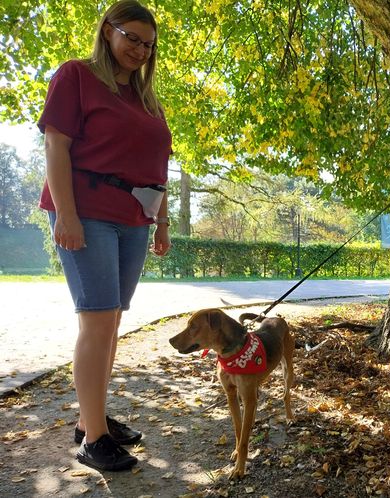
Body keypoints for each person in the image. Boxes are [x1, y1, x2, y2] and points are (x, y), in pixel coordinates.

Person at [38, 0, 172, 471]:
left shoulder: (146, 99)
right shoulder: (76, 76)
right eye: (131, 37)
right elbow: (56, 145)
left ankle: (90, 419)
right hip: (87, 210)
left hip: (134, 219)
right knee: (96, 320)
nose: (140, 49)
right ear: (108, 30)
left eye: (149, 44)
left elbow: (160, 166)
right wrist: (67, 217)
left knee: (113, 320)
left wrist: (162, 220)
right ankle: (93, 439)